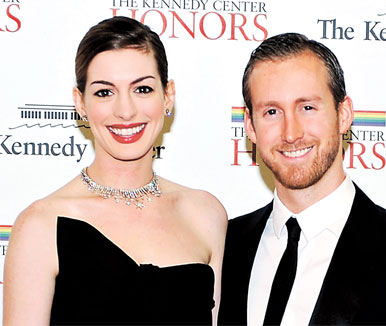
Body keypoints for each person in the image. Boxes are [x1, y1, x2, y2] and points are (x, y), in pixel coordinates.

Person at [3, 16, 227, 325]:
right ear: (80, 102)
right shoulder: (41, 225)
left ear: (168, 95)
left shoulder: (206, 214)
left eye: (143, 89)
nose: (125, 111)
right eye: (104, 92)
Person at [218, 33, 386, 325]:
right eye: (271, 112)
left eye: (307, 107)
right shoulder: (222, 247)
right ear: (250, 127)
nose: (291, 133)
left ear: (344, 115)